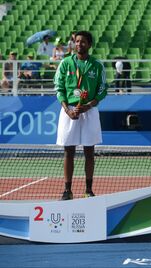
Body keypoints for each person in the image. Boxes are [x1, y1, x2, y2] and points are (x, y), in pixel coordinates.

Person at [54, 31, 107, 200]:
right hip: (68, 111)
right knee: (68, 151)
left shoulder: (97, 66)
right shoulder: (65, 63)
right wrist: (67, 109)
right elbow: (59, 87)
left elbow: (102, 89)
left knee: (89, 151)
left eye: (83, 42)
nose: (79, 44)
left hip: (89, 111)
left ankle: (88, 189)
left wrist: (89, 105)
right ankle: (67, 190)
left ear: (89, 45)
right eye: (77, 41)